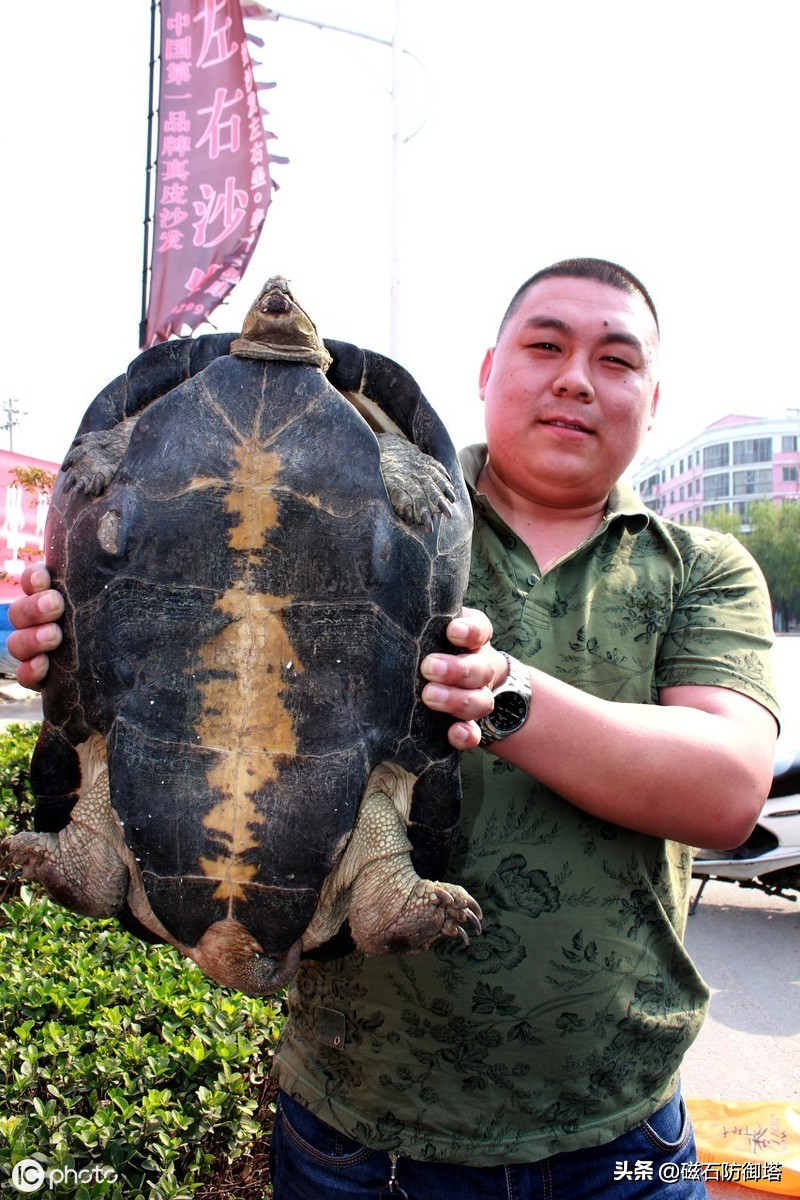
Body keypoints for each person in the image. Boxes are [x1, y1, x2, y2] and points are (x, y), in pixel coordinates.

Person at [9, 259, 779, 1200]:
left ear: (653, 400)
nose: (576, 378)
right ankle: (111, 851)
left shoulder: (701, 568)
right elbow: (204, 571)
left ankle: (366, 886)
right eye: (546, 346)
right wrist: (62, 629)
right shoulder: (386, 490)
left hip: (624, 1141)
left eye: (616, 360)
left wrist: (504, 693)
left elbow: (727, 791)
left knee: (378, 833)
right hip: (360, 1136)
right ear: (488, 370)